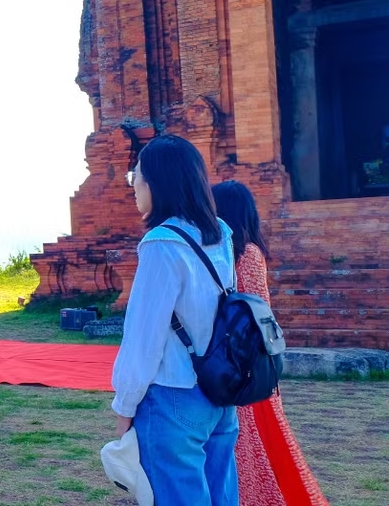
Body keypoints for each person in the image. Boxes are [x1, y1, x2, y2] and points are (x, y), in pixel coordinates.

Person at [112, 135, 239, 505]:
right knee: (221, 496)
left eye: (137, 177)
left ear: (157, 182)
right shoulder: (221, 233)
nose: (134, 186)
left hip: (173, 395)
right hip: (219, 390)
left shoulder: (161, 244)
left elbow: (143, 338)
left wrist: (124, 407)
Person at [212, 181, 329, 506]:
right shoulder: (251, 252)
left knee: (249, 445)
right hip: (255, 359)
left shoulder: (238, 255)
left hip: (242, 359)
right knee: (262, 443)